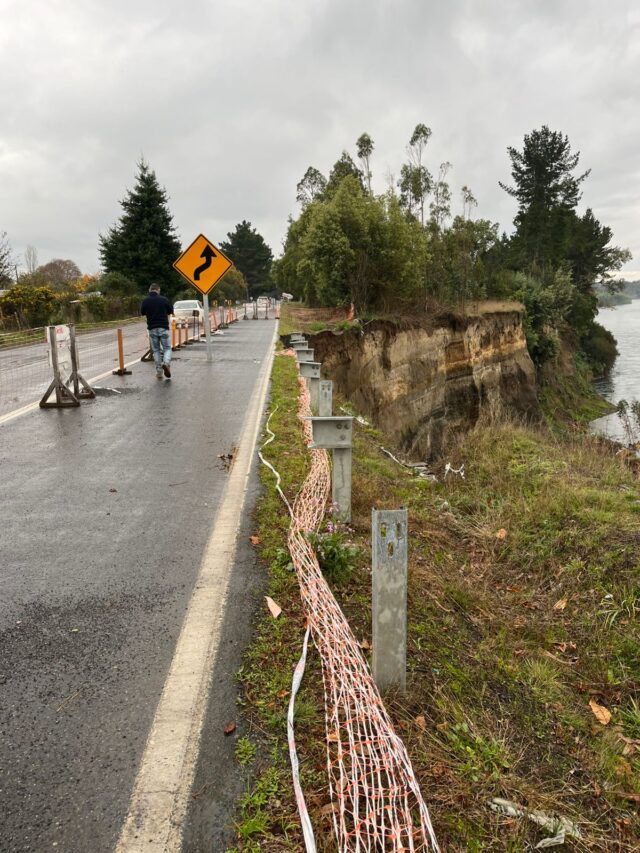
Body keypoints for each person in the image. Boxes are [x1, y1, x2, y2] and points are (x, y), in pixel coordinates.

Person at [140, 284, 174, 380]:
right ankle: (166, 363)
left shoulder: (145, 301)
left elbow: (142, 312)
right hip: (163, 327)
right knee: (167, 348)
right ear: (158, 290)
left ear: (149, 290)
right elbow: (171, 310)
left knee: (156, 350)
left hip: (152, 328)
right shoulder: (164, 299)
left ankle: (159, 372)